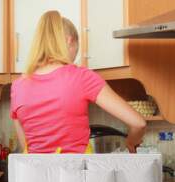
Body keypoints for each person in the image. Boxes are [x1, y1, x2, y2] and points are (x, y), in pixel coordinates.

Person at [10, 11, 146, 154]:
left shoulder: (18, 86)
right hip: (75, 173)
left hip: (34, 174)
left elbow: (25, 143)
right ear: (70, 41)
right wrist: (131, 142)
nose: (75, 57)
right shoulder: (81, 77)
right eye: (77, 48)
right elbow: (139, 123)